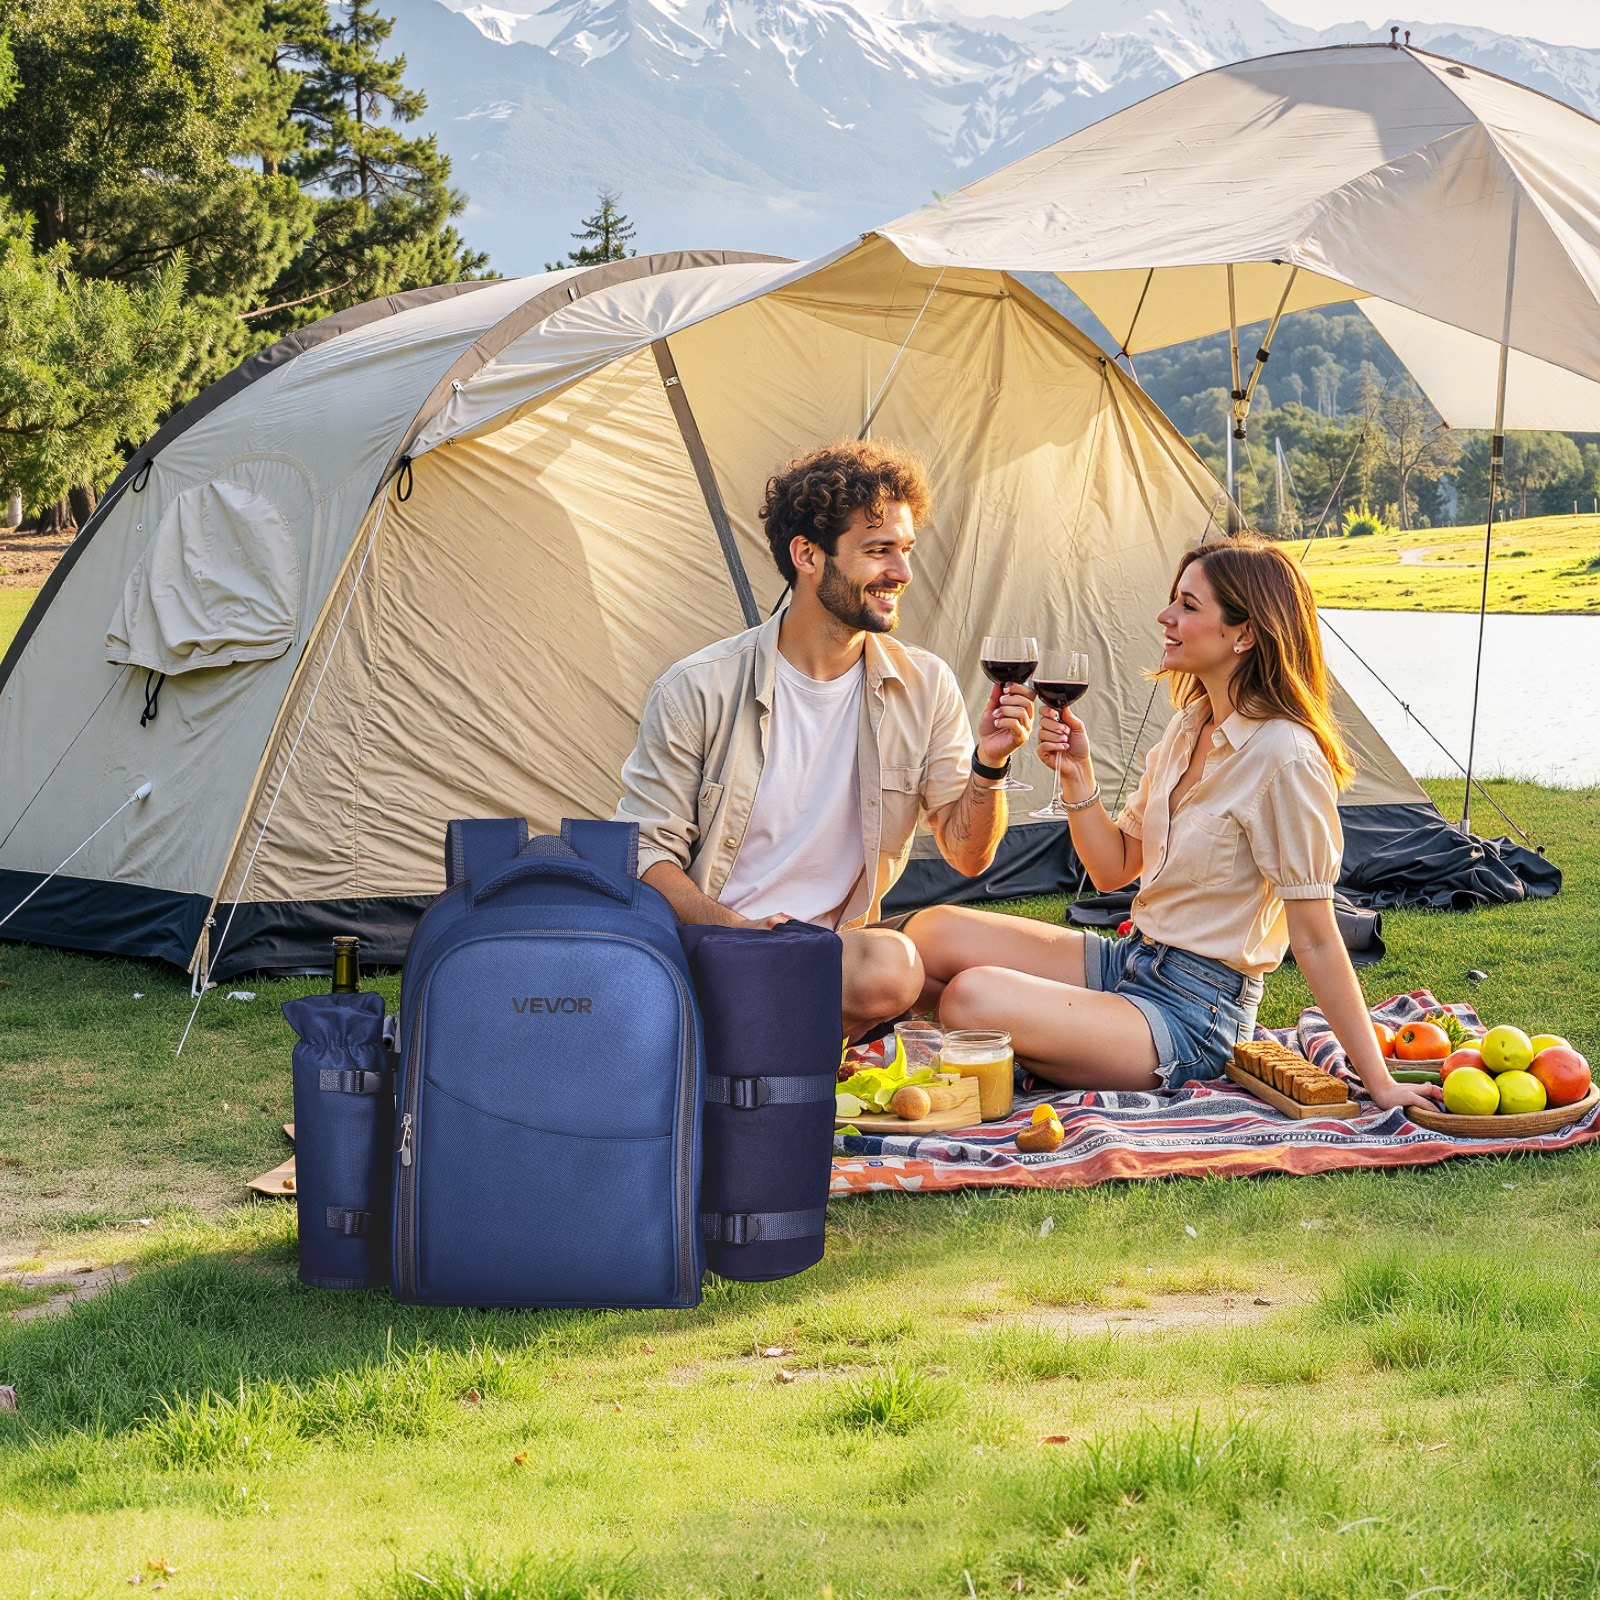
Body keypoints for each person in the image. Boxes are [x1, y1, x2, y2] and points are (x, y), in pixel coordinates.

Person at [908, 535, 1440, 1112]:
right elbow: (1114, 869)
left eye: (1188, 605)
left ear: (1244, 633)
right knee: (931, 935)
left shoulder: (1286, 756)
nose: (1165, 616)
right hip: (1132, 958)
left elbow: (1314, 938)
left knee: (971, 1000)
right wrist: (1077, 775)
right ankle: (1046, 1044)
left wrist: (1379, 1081)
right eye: (1174, 601)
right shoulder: (1189, 726)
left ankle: (1041, 1046)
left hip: (1196, 1013)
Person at [614, 439, 1035, 1038]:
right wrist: (736, 932)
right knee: (895, 968)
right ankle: (783, 1046)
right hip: (719, 948)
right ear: (807, 555)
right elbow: (645, 854)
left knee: (960, 960)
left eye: (906, 550)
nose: (903, 573)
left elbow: (969, 855)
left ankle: (764, 1043)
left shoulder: (926, 684)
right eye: (878, 551)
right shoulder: (697, 689)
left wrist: (989, 767)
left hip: (833, 955)